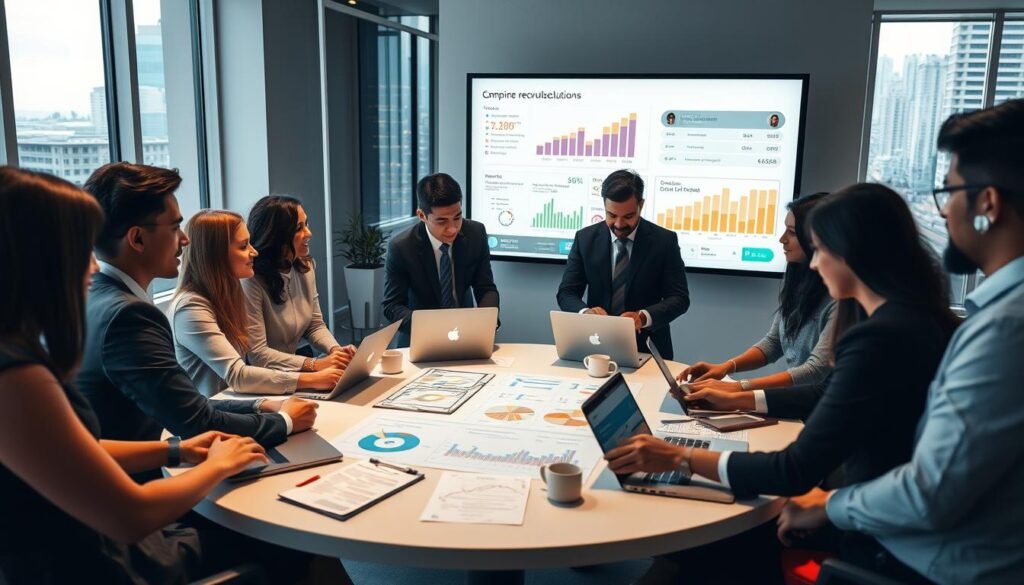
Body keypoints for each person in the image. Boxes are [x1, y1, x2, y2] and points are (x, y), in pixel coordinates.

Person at [0, 167, 345, 584]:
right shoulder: (19, 377)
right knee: (292, 533)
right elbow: (130, 515)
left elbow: (77, 448)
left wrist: (174, 452)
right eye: (77, 251)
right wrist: (216, 466)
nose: (90, 269)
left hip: (83, 543)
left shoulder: (27, 349)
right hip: (105, 562)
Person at [612, 183, 958, 584]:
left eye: (820, 249)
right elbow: (824, 393)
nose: (813, 264)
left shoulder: (879, 337)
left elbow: (793, 469)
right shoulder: (913, 318)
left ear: (852, 254)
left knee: (701, 547)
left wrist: (678, 457)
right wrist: (738, 398)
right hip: (886, 514)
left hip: (878, 536)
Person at [777, 99, 1024, 584]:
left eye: (949, 192)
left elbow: (929, 492)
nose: (945, 210)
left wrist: (832, 504)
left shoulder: (1003, 328)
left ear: (988, 203)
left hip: (933, 565)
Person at [76, 163, 317, 450]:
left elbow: (190, 402)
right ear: (137, 238)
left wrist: (264, 405)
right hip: (142, 479)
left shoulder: (97, 296)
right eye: (176, 227)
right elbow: (195, 420)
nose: (185, 239)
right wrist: (285, 422)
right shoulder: (129, 316)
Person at [171, 210, 346, 397]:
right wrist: (314, 377)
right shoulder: (190, 309)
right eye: (244, 246)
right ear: (216, 255)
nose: (254, 251)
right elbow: (238, 374)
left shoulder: (227, 295)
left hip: (239, 406)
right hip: (211, 418)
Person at [678, 193, 835, 399]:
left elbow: (815, 371)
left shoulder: (839, 299)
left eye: (792, 232)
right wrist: (726, 367)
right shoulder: (795, 275)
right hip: (798, 397)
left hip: (818, 403)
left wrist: (738, 388)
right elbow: (774, 342)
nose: (782, 239)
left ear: (816, 240)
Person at [556, 169, 690, 359]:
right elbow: (567, 292)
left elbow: (679, 298)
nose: (619, 224)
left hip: (648, 348)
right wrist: (586, 313)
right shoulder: (585, 239)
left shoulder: (664, 241)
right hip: (595, 346)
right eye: (611, 215)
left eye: (628, 216)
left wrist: (642, 317)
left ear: (641, 205)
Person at [382, 172, 500, 347]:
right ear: (422, 215)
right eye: (442, 221)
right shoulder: (402, 247)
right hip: (419, 339)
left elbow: (486, 287)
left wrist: (486, 322)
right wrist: (434, 327)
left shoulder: (476, 233)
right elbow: (392, 306)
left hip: (465, 336)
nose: (452, 229)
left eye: (457, 217)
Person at [243, 195, 355, 371]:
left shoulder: (306, 267)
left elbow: (314, 325)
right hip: (263, 378)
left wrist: (336, 351)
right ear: (276, 236)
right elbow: (257, 355)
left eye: (306, 224)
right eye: (298, 228)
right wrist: (315, 364)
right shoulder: (250, 279)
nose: (309, 233)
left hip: (292, 372)